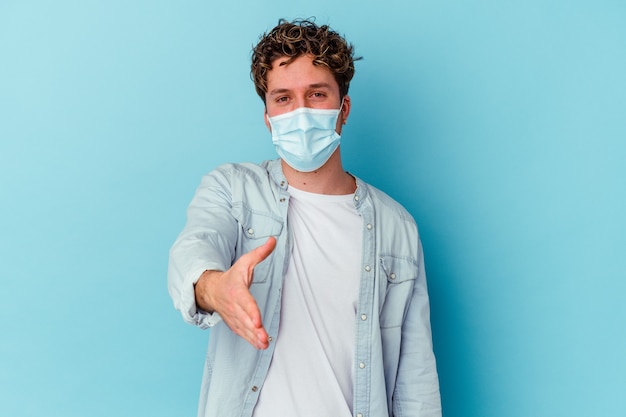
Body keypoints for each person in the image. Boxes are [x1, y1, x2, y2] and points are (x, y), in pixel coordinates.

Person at [168, 18, 441, 417]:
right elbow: (193, 248)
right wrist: (215, 289)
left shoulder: (396, 226)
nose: (299, 112)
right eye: (283, 99)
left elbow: (415, 383)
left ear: (343, 108)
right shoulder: (232, 189)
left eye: (316, 94)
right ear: (267, 116)